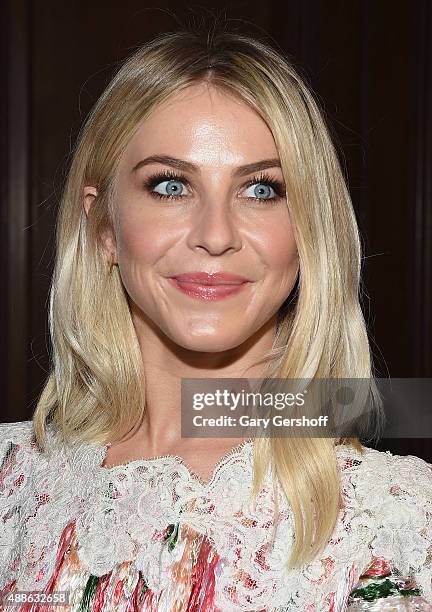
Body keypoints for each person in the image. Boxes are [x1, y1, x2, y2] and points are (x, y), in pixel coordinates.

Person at [0, 25, 431, 612]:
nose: (216, 236)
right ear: (103, 227)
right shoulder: (13, 484)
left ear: (307, 232)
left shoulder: (398, 519)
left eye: (261, 190)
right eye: (171, 185)